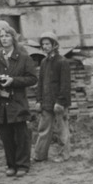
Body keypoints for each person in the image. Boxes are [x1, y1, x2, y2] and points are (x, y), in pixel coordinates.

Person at [0, 25, 37, 177]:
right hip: (1, 104)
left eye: (7, 36)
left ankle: (22, 165)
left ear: (13, 38)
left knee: (21, 135)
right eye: (1, 36)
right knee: (6, 136)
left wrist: (13, 81)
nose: (4, 39)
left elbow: (32, 79)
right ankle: (11, 165)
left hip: (17, 102)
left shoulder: (24, 58)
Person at [32, 31, 71, 163]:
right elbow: (41, 83)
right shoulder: (44, 62)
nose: (45, 46)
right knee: (43, 130)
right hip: (46, 103)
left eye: (47, 43)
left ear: (54, 44)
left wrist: (60, 102)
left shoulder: (62, 62)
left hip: (59, 104)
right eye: (43, 44)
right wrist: (39, 100)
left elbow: (65, 85)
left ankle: (63, 154)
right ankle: (40, 155)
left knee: (61, 130)